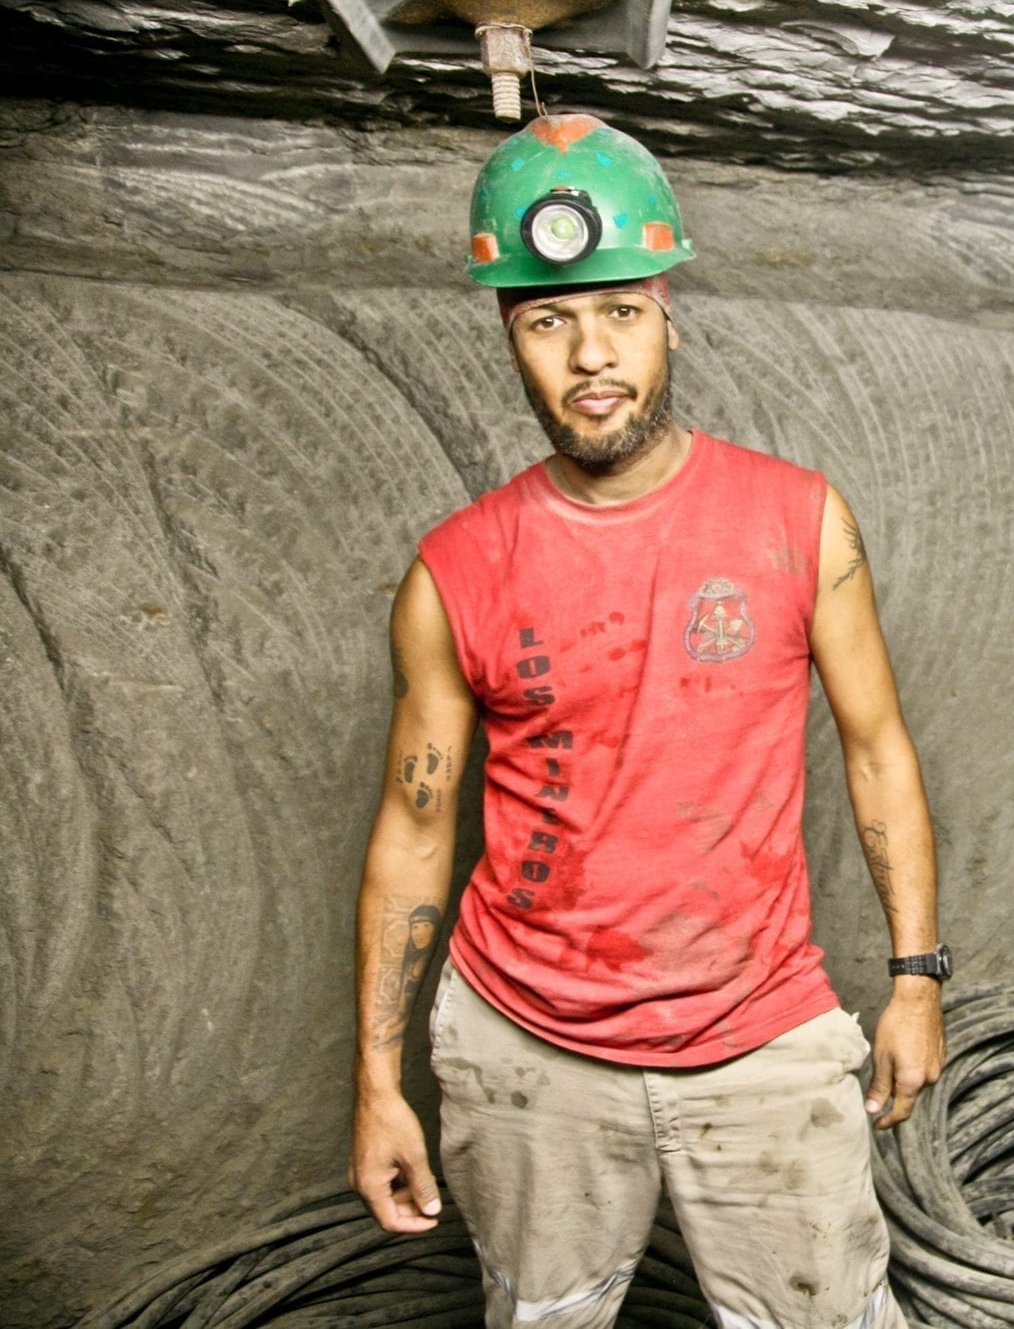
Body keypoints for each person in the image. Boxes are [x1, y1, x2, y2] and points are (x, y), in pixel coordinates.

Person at [347, 112, 949, 1329]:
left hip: (760, 1025)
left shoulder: (798, 522)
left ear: (668, 307)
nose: (590, 354)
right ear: (509, 336)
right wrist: (374, 1076)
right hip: (528, 1050)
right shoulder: (455, 570)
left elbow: (876, 748)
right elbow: (415, 827)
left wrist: (914, 977)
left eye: (619, 309)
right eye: (548, 321)